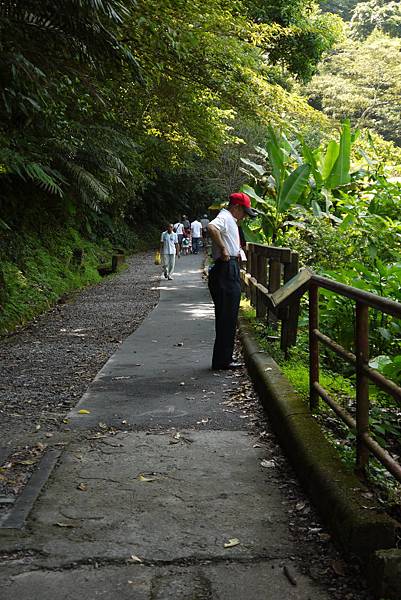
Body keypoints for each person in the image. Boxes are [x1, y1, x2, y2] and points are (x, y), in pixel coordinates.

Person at [207, 192, 257, 370]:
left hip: (228, 268)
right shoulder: (225, 217)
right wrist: (224, 249)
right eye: (244, 212)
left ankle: (223, 358)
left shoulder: (230, 220)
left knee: (227, 315)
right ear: (236, 207)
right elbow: (211, 228)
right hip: (226, 268)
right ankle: (222, 360)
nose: (244, 216)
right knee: (227, 315)